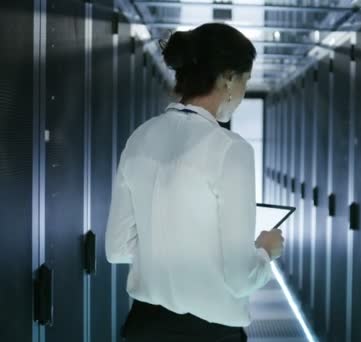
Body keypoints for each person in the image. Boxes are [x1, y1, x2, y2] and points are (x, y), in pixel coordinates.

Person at [104, 22, 285, 342]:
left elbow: (117, 249)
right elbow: (241, 278)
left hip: (142, 328)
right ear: (228, 78)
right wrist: (265, 252)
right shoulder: (232, 150)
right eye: (245, 80)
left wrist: (169, 245)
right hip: (208, 334)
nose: (242, 92)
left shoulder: (140, 137)